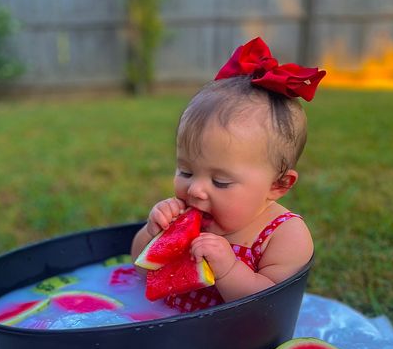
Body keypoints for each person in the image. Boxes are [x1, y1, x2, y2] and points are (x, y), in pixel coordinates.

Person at [131, 37, 326, 313]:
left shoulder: (285, 235)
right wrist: (152, 233)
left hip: (231, 343)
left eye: (220, 181)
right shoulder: (186, 212)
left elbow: (272, 306)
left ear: (278, 185)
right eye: (186, 171)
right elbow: (140, 271)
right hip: (166, 325)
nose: (196, 189)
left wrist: (229, 270)